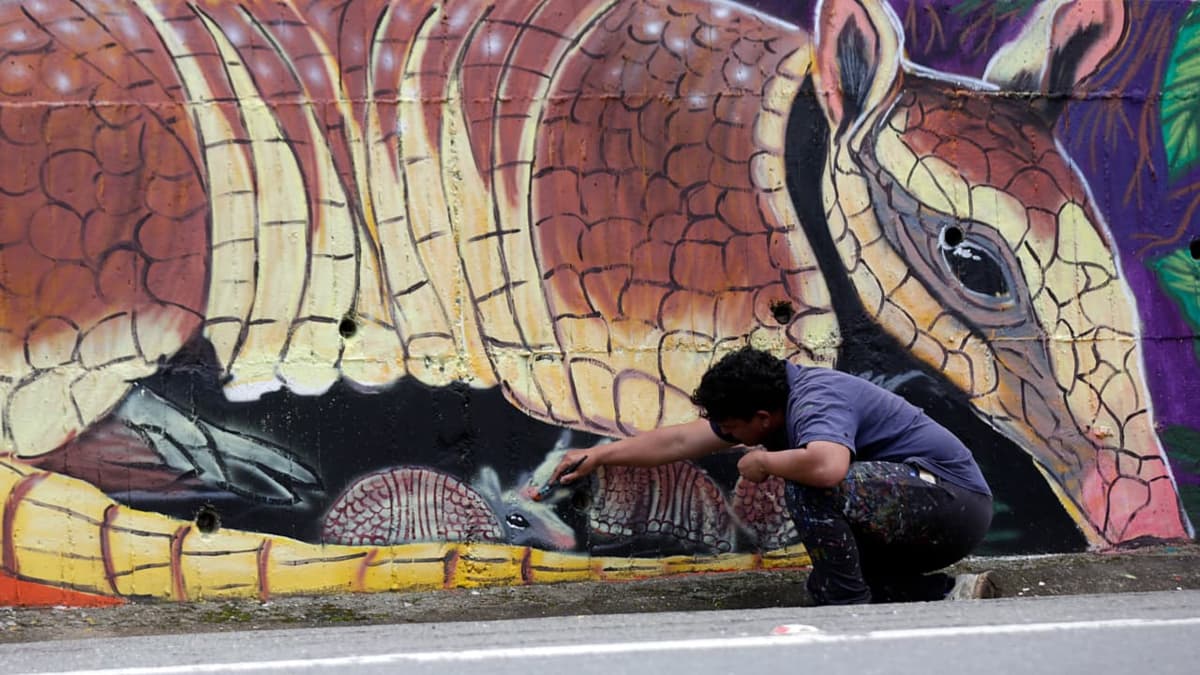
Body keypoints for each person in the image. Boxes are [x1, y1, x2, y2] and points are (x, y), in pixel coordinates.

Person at [547, 346, 995, 605]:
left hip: (952, 506)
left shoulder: (816, 400)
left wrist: (763, 463)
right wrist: (602, 456)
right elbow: (680, 442)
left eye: (734, 429)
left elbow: (828, 465)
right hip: (918, 516)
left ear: (762, 417)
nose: (727, 437)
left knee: (810, 481)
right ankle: (944, 593)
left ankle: (846, 606)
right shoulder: (773, 405)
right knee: (830, 567)